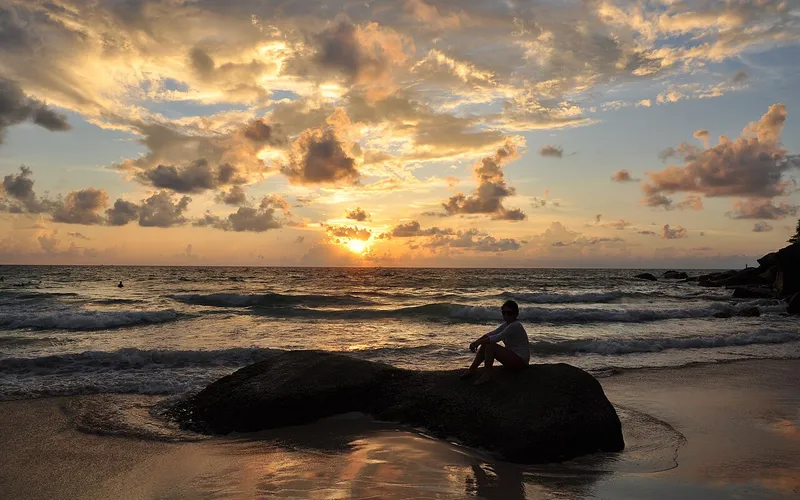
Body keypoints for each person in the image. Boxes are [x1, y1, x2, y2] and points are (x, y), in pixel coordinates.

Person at [461, 300, 530, 385]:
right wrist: (477, 342)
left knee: (491, 346)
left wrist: (478, 343)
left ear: (516, 314)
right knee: (486, 344)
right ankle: (472, 369)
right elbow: (492, 334)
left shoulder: (516, 325)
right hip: (512, 358)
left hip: (521, 361)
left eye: (509, 313)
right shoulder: (506, 325)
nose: (506, 315)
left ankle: (486, 375)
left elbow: (497, 337)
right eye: (504, 313)